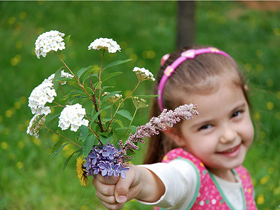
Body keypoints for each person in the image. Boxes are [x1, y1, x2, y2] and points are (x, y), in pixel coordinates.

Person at [92, 45, 257, 210]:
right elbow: (172, 179)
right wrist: (139, 179)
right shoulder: (192, 174)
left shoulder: (241, 175)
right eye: (206, 126)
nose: (228, 135)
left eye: (236, 114)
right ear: (175, 133)